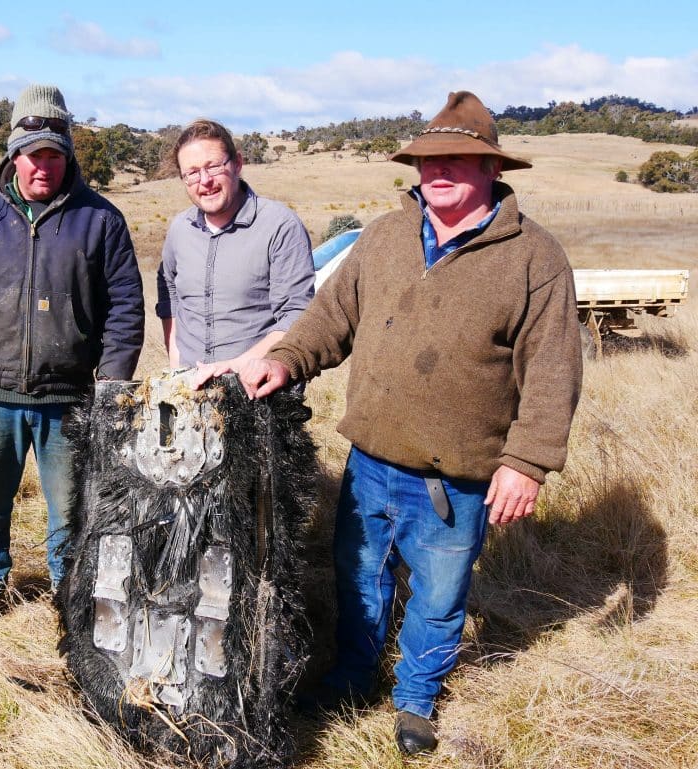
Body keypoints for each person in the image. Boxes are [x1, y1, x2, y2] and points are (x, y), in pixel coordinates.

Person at [238, 91, 582, 755]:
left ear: (491, 168)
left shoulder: (535, 257)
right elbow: (329, 320)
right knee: (357, 577)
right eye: (429, 159)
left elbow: (553, 371)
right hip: (370, 461)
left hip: (456, 475)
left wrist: (528, 461)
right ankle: (354, 676)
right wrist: (284, 362)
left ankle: (417, 698)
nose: (440, 170)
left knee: (440, 593)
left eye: (458, 158)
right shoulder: (384, 235)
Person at [0, 84, 144, 635]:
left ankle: (70, 594)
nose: (44, 165)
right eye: (33, 153)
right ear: (13, 153)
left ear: (68, 154)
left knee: (69, 510)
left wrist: (113, 384)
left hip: (69, 398)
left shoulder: (101, 220)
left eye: (54, 153)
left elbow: (125, 308)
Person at [155, 119, 314, 384]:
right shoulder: (179, 230)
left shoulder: (280, 225)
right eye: (192, 173)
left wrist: (237, 366)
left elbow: (297, 314)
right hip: (189, 391)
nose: (205, 181)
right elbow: (170, 294)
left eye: (214, 166)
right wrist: (176, 365)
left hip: (258, 393)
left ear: (237, 164)